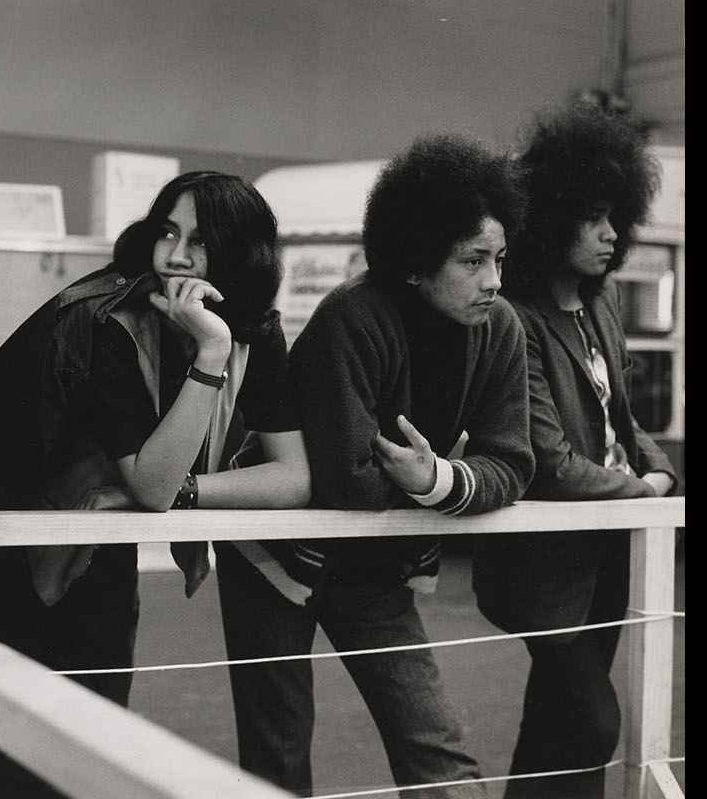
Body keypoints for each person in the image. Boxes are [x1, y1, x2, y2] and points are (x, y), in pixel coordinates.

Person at [0, 171, 311, 798]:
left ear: (241, 255)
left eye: (201, 240)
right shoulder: (112, 316)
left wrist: (192, 490)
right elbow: (154, 485)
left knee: (93, 739)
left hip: (99, 531)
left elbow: (293, 478)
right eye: (169, 231)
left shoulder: (250, 326)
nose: (176, 254)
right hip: (16, 531)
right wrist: (211, 355)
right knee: (15, 754)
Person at [214, 132, 534, 799]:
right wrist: (437, 483)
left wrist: (438, 478)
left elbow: (513, 462)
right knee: (277, 756)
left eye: (500, 258)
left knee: (436, 747)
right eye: (473, 261)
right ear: (415, 263)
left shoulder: (501, 327)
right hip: (274, 557)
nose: (494, 280)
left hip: (378, 564)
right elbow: (346, 483)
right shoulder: (351, 316)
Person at [471, 104, 680, 799]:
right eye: (592, 218)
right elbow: (549, 460)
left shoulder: (603, 301)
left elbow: (621, 419)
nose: (610, 234)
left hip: (607, 558)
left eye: (615, 216)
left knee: (556, 725)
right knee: (592, 722)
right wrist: (646, 492)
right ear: (552, 217)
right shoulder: (514, 320)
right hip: (544, 567)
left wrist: (660, 466)